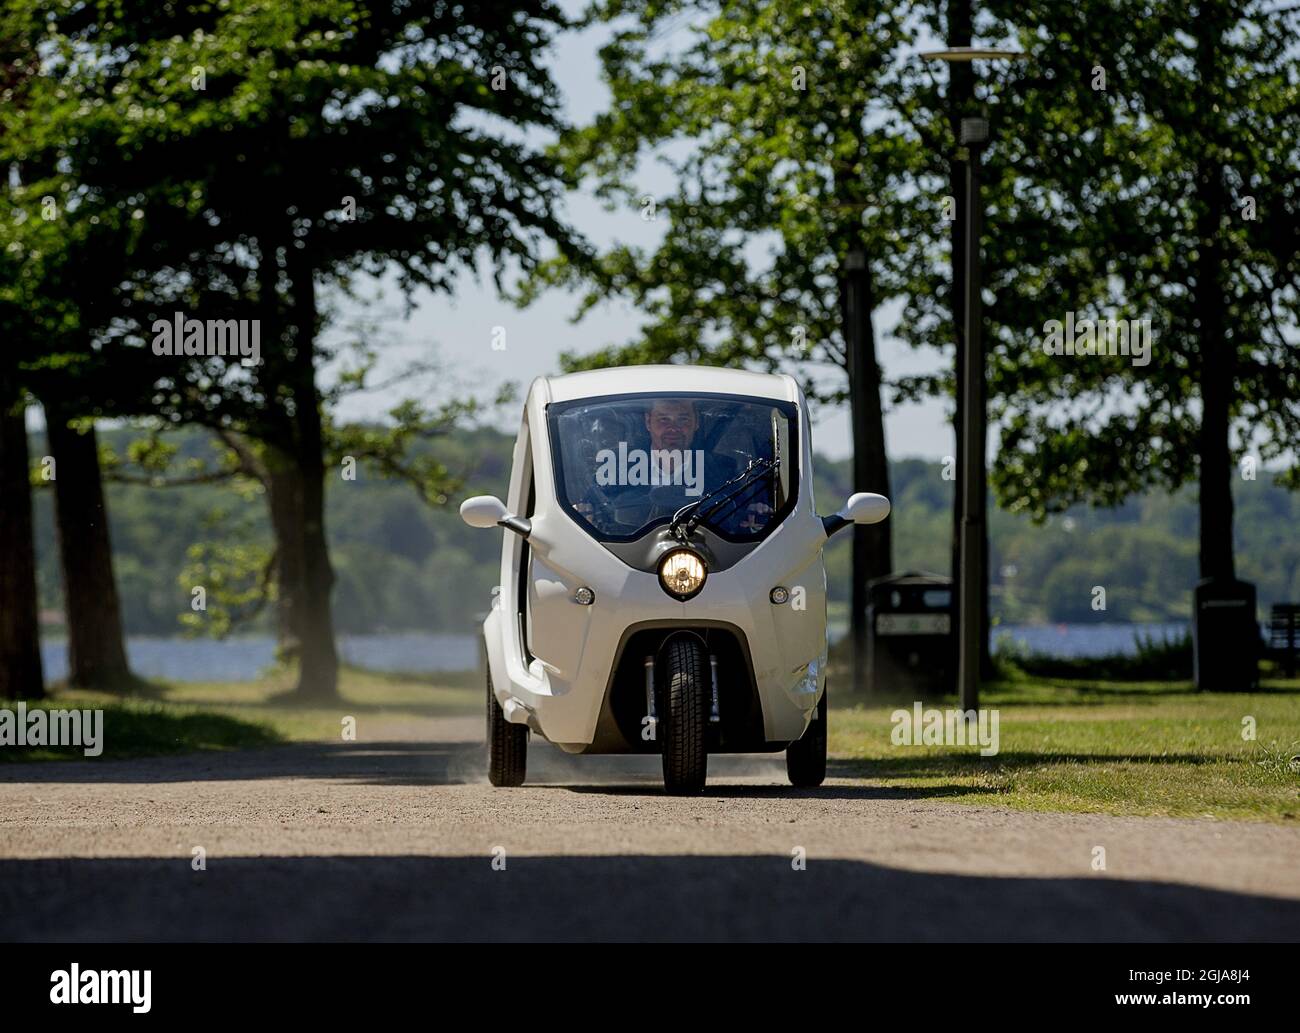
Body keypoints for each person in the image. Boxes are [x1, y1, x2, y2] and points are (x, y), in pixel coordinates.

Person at [573, 398, 773, 535]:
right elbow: (592, 509)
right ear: (648, 422)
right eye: (663, 419)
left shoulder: (724, 470)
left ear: (696, 423)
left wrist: (754, 513)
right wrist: (582, 514)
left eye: (683, 419)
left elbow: (740, 514)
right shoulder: (618, 468)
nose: (673, 428)